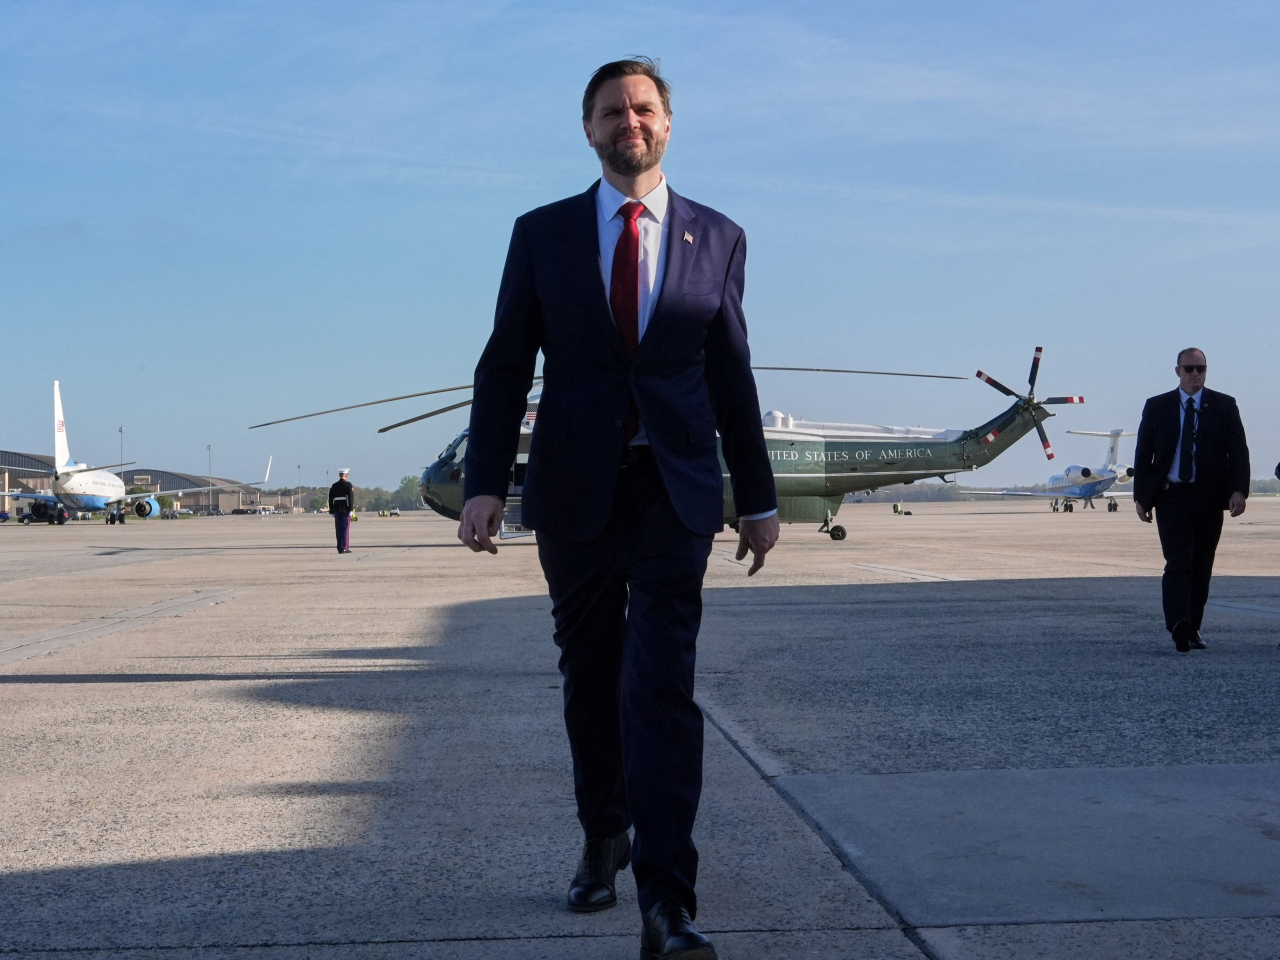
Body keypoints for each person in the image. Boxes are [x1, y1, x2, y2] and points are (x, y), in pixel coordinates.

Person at [457, 58, 778, 960]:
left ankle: (667, 900)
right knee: (592, 674)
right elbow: (505, 363)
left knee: (660, 682)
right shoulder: (542, 234)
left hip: (673, 489)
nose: (627, 122)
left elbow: (732, 374)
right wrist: (485, 481)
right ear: (588, 129)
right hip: (573, 487)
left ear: (667, 123)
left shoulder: (719, 236)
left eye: (642, 108)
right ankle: (604, 832)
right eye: (611, 111)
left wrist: (757, 496)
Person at [1134, 348, 1249, 652]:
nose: (1196, 374)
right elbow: (1143, 454)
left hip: (1209, 497)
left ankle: (1192, 627)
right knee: (1178, 562)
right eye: (1189, 369)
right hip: (1171, 496)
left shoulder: (1224, 405)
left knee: (1201, 565)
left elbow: (1238, 451)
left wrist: (1239, 490)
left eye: (1201, 369)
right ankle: (1177, 623)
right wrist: (1141, 498)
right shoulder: (1157, 406)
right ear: (1178, 371)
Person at [328, 469, 355, 554]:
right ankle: (344, 547)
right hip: (345, 509)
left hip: (336, 509)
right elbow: (350, 498)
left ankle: (340, 547)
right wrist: (351, 509)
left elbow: (330, 498)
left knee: (338, 529)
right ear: (346, 475)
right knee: (345, 529)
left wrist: (331, 510)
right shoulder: (348, 485)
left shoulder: (334, 485)